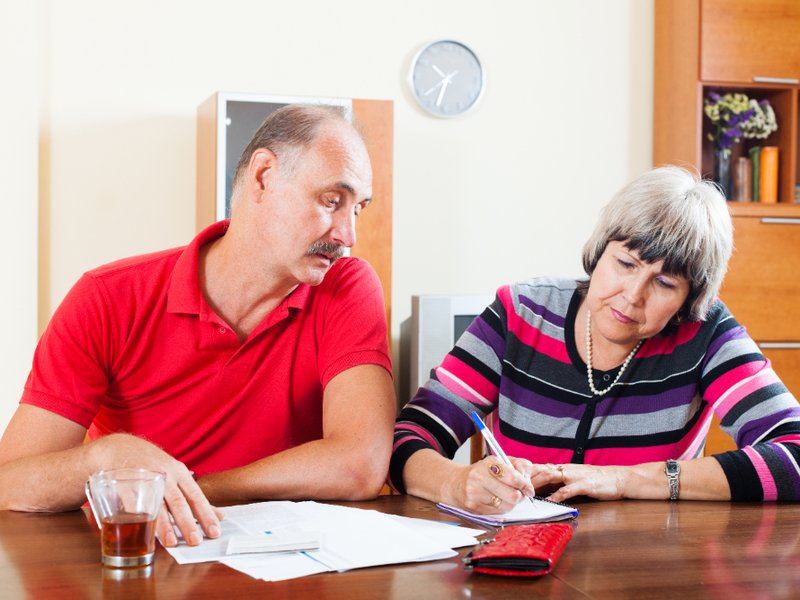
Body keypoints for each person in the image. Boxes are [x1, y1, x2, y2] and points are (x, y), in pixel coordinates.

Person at [0, 105, 396, 546]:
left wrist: (186, 490)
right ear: (263, 176)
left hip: (290, 563)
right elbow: (8, 484)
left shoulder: (347, 286)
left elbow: (360, 464)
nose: (348, 235)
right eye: (331, 201)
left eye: (358, 209)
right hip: (144, 559)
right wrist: (104, 458)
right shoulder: (106, 297)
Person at [390, 165, 800, 513]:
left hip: (649, 566)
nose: (633, 295)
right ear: (600, 251)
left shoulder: (706, 334)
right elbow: (406, 438)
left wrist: (626, 479)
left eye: (664, 283)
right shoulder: (520, 314)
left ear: (688, 299)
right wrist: (457, 483)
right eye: (625, 263)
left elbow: (795, 454)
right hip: (517, 557)